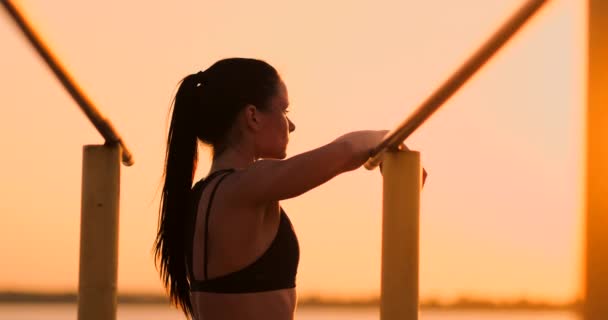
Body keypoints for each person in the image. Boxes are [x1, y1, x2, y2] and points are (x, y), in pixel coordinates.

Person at [154, 58, 424, 320]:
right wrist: (393, 139)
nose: (291, 125)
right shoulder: (246, 186)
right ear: (253, 117)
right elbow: (348, 150)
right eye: (284, 111)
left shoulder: (201, 196)